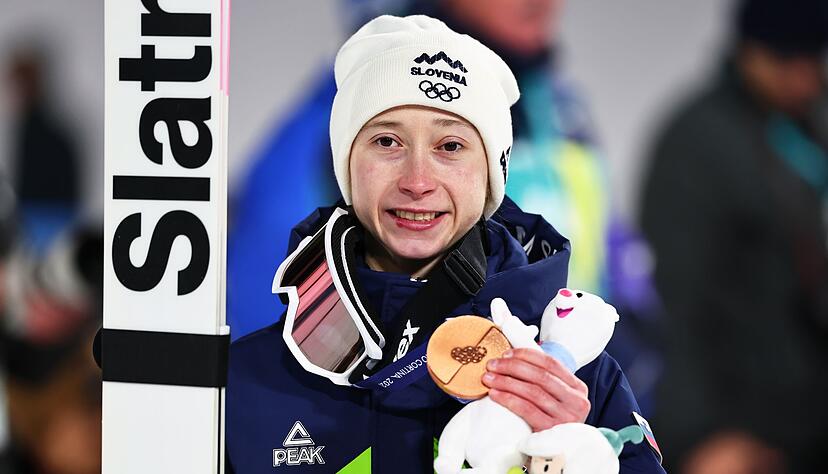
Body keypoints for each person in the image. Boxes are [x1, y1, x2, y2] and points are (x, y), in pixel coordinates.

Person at [226, 15, 664, 473]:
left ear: (492, 173)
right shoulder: (250, 382)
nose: (417, 181)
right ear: (346, 164)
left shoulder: (578, 382)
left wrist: (571, 459)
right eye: (387, 141)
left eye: (450, 146)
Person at [639, 0, 828, 472]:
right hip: (744, 432)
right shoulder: (695, 142)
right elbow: (672, 300)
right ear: (749, 51)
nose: (804, 78)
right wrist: (700, 434)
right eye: (786, 62)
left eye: (814, 60)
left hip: (813, 418)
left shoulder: (810, 126)